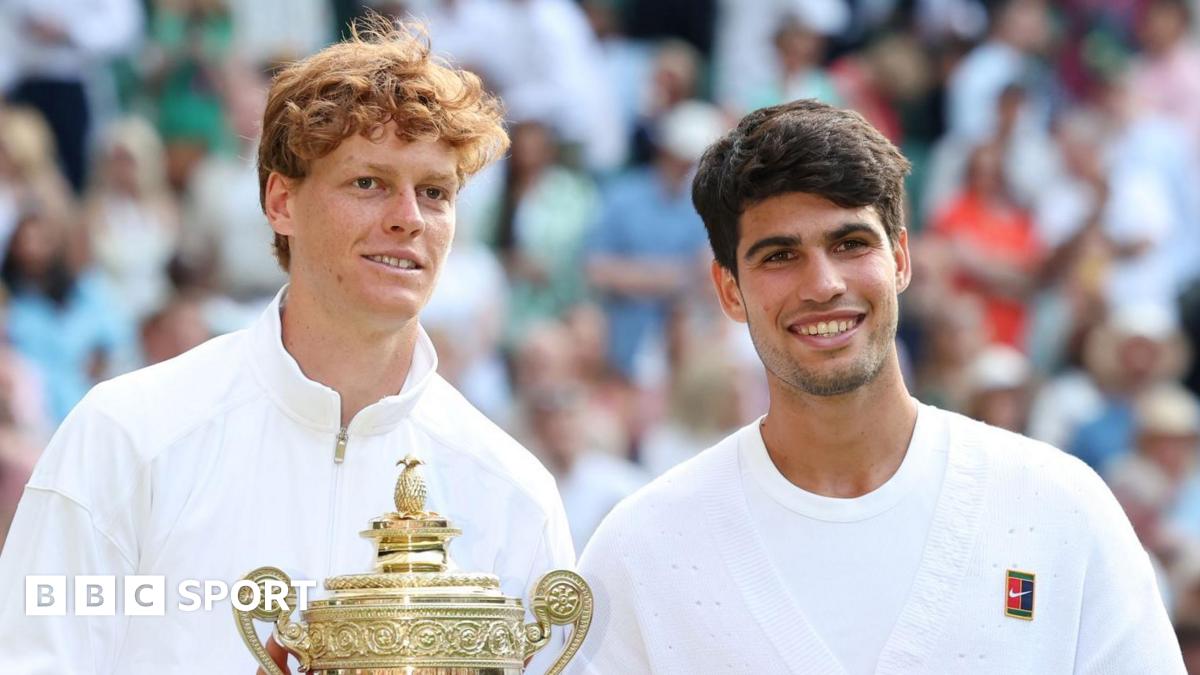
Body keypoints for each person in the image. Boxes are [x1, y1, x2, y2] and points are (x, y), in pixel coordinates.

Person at [0, 17, 575, 674]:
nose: (408, 219)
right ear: (281, 201)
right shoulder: (126, 436)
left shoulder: (514, 493)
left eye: (434, 192)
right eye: (369, 182)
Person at [571, 99, 1183, 674]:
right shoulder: (642, 548)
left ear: (901, 260)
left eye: (850, 243)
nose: (824, 284)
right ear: (729, 290)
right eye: (779, 256)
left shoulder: (1058, 506)